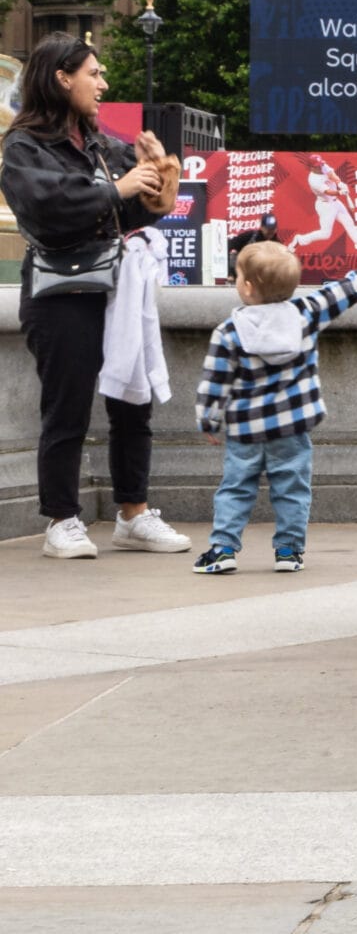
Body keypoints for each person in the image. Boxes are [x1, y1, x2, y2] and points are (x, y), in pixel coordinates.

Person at [1, 37, 189, 561]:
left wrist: (159, 177)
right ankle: (62, 520)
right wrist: (120, 188)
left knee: (134, 401)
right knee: (67, 409)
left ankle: (134, 513)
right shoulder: (23, 147)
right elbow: (45, 207)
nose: (103, 84)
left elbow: (130, 212)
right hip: (60, 295)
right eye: (94, 73)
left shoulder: (100, 145)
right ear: (63, 77)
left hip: (114, 290)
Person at [192, 242, 357, 574]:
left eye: (238, 275)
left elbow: (215, 383)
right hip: (293, 426)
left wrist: (209, 421)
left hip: (246, 430)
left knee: (236, 487)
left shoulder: (228, 332)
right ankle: (288, 551)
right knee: (293, 487)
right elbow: (337, 294)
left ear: (248, 286)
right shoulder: (306, 313)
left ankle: (223, 548)